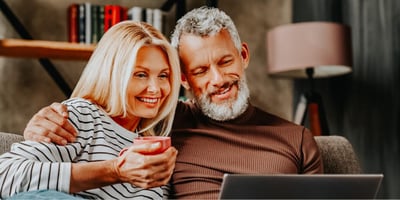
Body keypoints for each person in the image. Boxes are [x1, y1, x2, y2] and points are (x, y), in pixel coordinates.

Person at [23, 7, 323, 199]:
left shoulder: (297, 139)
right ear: (183, 79)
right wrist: (44, 121)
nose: (217, 79)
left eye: (225, 61)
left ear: (243, 56)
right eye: (200, 71)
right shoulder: (162, 120)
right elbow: (106, 111)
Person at [0, 21, 181, 199]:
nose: (155, 89)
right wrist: (115, 170)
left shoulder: (159, 148)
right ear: (112, 75)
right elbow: (6, 175)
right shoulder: (81, 116)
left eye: (163, 76)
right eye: (141, 75)